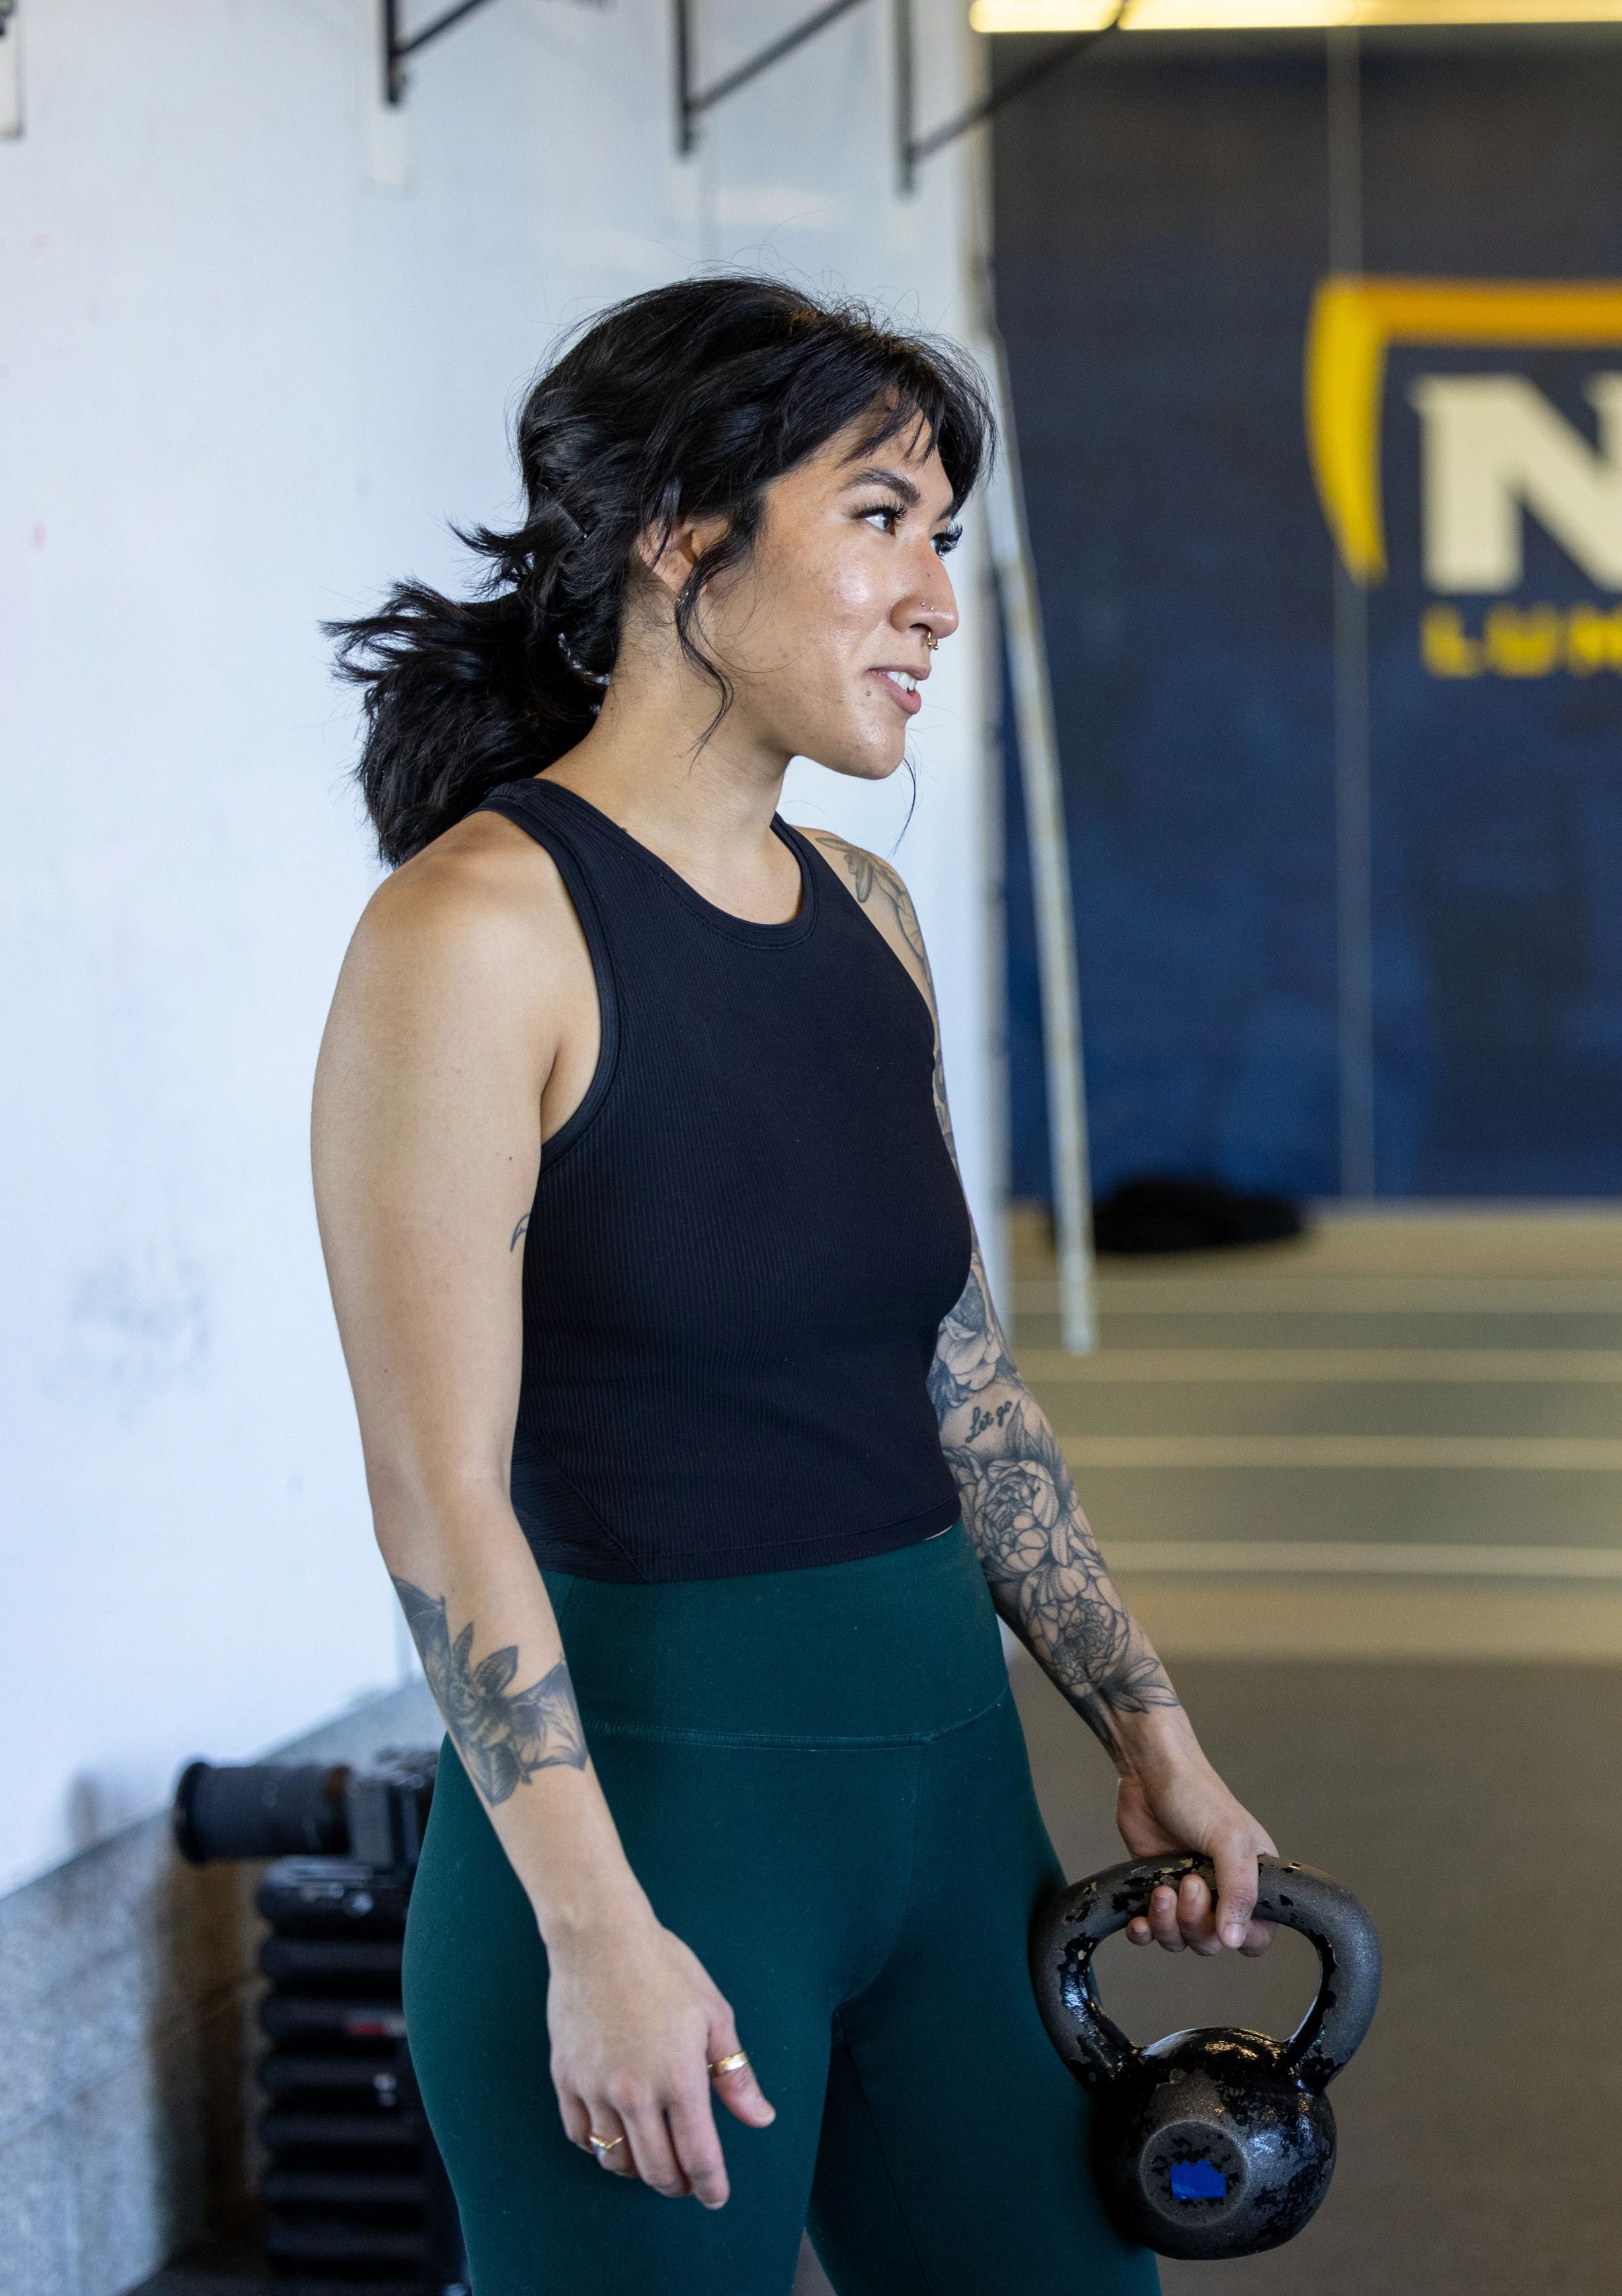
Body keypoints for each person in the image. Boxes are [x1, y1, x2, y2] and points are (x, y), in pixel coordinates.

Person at [312, 278, 1274, 2294]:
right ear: (683, 537)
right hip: (653, 1842)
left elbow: (961, 1387)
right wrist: (595, 1934)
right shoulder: (477, 934)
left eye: (945, 534)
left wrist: (1146, 1723)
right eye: (880, 519)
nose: (936, 594)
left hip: (950, 1811)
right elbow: (438, 1492)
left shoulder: (869, 913)